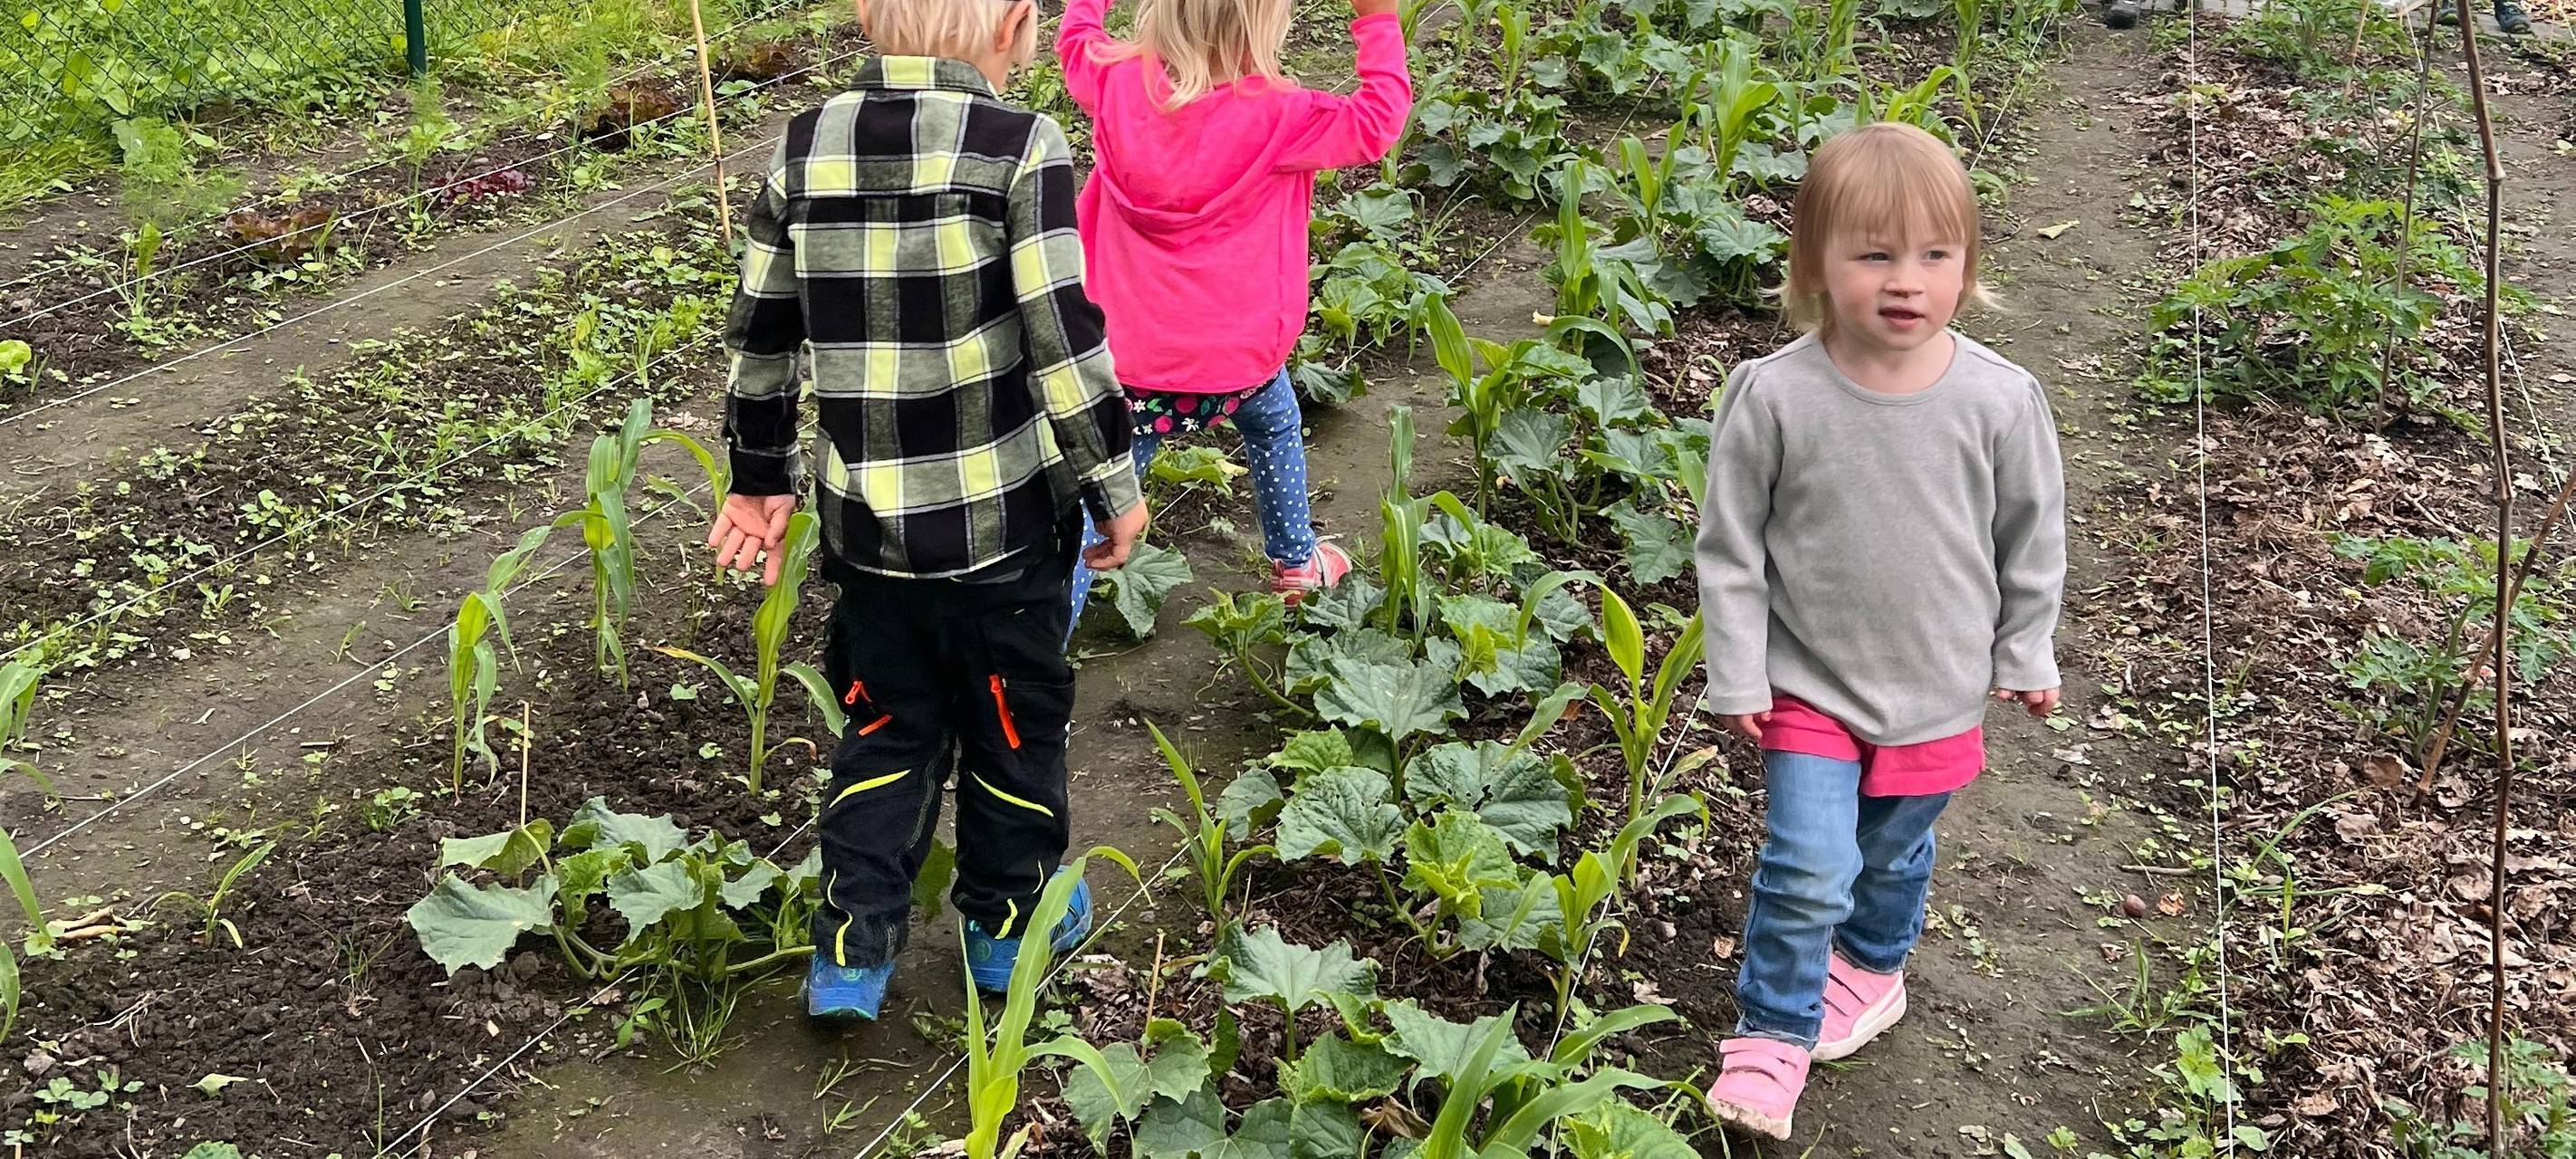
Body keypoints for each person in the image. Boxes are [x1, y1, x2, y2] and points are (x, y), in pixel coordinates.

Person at [706, 0, 1149, 1021]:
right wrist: (1112, 484)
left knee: (884, 729)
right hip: (1004, 536)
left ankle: (852, 954)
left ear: (869, 15)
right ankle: (1004, 931)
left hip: (869, 543)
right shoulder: (1020, 146)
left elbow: (762, 338)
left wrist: (758, 478)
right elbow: (1061, 336)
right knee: (1011, 728)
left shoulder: (804, 144)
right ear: (1019, 25)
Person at [1692, 122, 2066, 1140]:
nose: (1906, 281)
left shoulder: (1998, 400)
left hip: (1938, 684)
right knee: (1810, 859)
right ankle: (1771, 1031)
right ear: (1815, 264)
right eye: (1873, 254)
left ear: (1967, 268)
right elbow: (1730, 549)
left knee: (1893, 856)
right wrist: (1738, 669)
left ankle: (1869, 967)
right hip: (1808, 680)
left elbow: (2033, 540)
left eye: (1934, 256)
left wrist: (2025, 647)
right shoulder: (1774, 397)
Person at [1053, 0, 1414, 634]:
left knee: (1103, 496)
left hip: (1129, 361)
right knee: (1273, 427)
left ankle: (1042, 642)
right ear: (1266, 24)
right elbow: (1379, 120)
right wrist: (1377, 18)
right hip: (1240, 357)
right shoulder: (1284, 115)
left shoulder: (1115, 81)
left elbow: (1077, 45)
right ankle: (1297, 564)